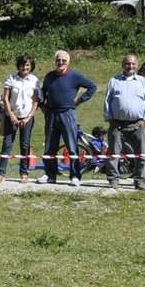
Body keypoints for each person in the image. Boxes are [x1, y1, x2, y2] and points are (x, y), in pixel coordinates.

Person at [40, 50, 97, 186]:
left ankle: (75, 176)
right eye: (58, 60)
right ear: (55, 61)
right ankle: (50, 175)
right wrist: (43, 106)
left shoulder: (74, 75)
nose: (61, 62)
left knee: (72, 146)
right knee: (49, 147)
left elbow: (92, 87)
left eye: (63, 60)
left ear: (68, 62)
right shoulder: (49, 76)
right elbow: (42, 92)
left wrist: (80, 100)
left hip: (68, 114)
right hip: (52, 115)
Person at [102, 53, 145, 190]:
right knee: (113, 154)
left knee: (141, 155)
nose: (130, 66)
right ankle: (113, 180)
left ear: (137, 65)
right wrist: (109, 118)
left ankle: (140, 180)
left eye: (133, 64)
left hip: (137, 125)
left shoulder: (143, 82)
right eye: (127, 63)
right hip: (117, 125)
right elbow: (107, 101)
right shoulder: (114, 81)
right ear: (122, 65)